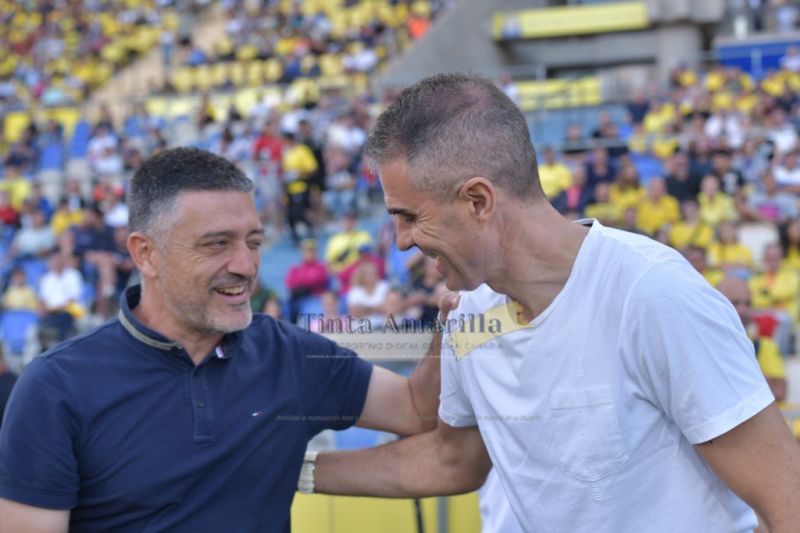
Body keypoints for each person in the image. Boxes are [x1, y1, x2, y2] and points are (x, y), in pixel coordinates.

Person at [310, 74, 800, 532]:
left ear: (478, 201)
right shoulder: (470, 314)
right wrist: (289, 468)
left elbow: (786, 500)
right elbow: (450, 459)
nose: (399, 242)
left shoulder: (651, 294)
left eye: (410, 216)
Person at [0, 147, 448, 532]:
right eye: (216, 244)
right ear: (145, 254)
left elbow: (418, 407)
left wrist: (453, 319)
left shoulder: (290, 354)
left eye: (253, 241)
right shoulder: (55, 387)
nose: (247, 265)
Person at [717, 276, 787, 402]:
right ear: (715, 305)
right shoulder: (702, 344)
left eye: (747, 303)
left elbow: (779, 390)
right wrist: (759, 380)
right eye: (734, 303)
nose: (743, 310)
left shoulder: (765, 345)